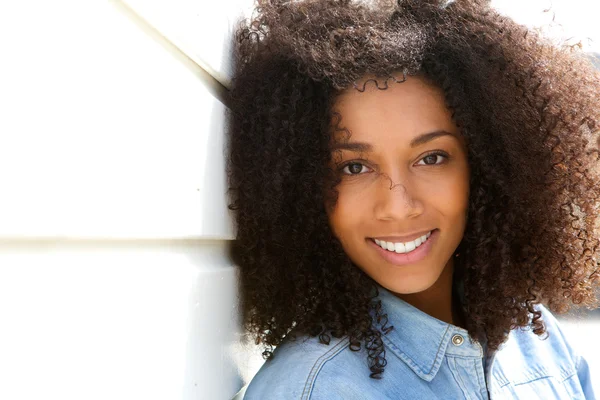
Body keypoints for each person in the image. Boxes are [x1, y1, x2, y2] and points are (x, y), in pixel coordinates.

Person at [226, 0, 600, 398]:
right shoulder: (319, 388)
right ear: (302, 187)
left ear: (488, 167)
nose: (398, 206)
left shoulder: (536, 337)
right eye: (354, 167)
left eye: (431, 158)